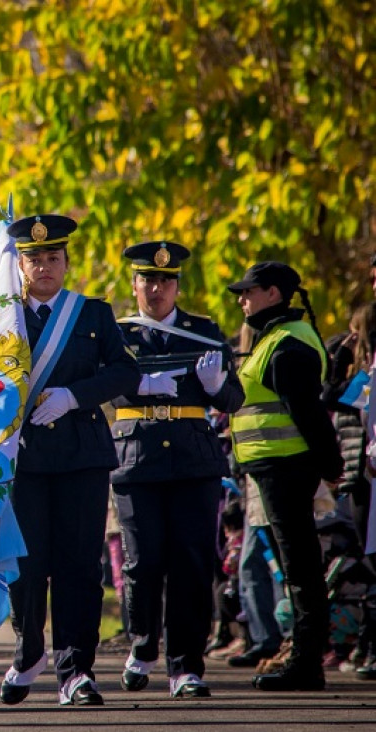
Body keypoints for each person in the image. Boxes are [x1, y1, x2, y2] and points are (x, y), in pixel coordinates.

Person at [0, 214, 140, 707]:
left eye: (52, 258)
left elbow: (124, 370)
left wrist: (76, 395)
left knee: (79, 564)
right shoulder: (2, 316)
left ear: (66, 262)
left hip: (81, 452)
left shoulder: (92, 314)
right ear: (19, 265)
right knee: (27, 563)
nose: (43, 266)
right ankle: (28, 650)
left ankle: (77, 670)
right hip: (24, 457)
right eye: (34, 259)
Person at [109, 241, 245, 698]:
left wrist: (217, 385)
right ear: (135, 284)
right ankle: (144, 646)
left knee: (191, 562)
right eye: (148, 279)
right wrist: (138, 386)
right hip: (136, 458)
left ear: (177, 286)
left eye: (166, 280)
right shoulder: (118, 333)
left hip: (192, 461)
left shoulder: (203, 332)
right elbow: (104, 387)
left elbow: (234, 400)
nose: (157, 287)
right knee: (142, 562)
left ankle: (186, 664)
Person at [226, 261, 344, 691]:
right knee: (297, 566)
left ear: (273, 294)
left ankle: (307, 662)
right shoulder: (275, 338)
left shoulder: (287, 344)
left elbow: (309, 415)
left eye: (248, 291)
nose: (242, 299)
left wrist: (332, 468)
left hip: (287, 466)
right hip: (278, 467)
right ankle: (303, 655)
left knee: (300, 568)